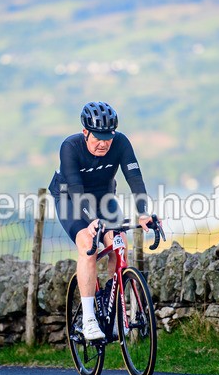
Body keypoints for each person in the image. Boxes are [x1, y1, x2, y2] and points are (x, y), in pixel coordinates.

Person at [49, 101, 159, 341]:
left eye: (107, 137)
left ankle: (113, 307)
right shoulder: (70, 146)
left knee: (119, 243)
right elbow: (77, 190)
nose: (104, 143)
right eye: (97, 137)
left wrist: (143, 212)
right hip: (70, 197)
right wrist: (90, 221)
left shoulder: (120, 143)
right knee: (88, 245)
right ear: (85, 133)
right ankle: (89, 318)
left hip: (103, 197)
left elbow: (135, 178)